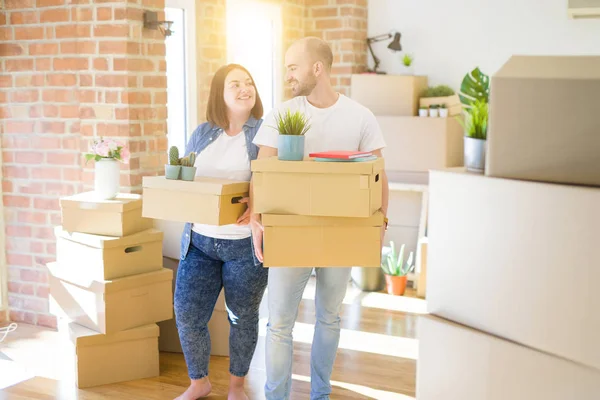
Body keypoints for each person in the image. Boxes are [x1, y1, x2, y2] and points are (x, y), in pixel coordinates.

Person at [249, 37, 390, 400]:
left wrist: (380, 224)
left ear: (317, 68)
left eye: (293, 67)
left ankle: (320, 395)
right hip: (290, 231)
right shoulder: (282, 112)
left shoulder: (360, 116)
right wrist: (257, 223)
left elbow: (379, 175)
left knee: (329, 318)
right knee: (279, 324)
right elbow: (261, 173)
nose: (288, 75)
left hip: (340, 232)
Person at [174, 63, 268, 400]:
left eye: (249, 82)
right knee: (187, 313)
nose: (245, 89)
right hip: (199, 242)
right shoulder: (203, 133)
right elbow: (184, 176)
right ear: (220, 93)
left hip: (243, 246)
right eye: (235, 84)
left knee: (242, 318)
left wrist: (256, 200)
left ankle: (237, 387)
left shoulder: (265, 134)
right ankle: (199, 382)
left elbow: (276, 182)